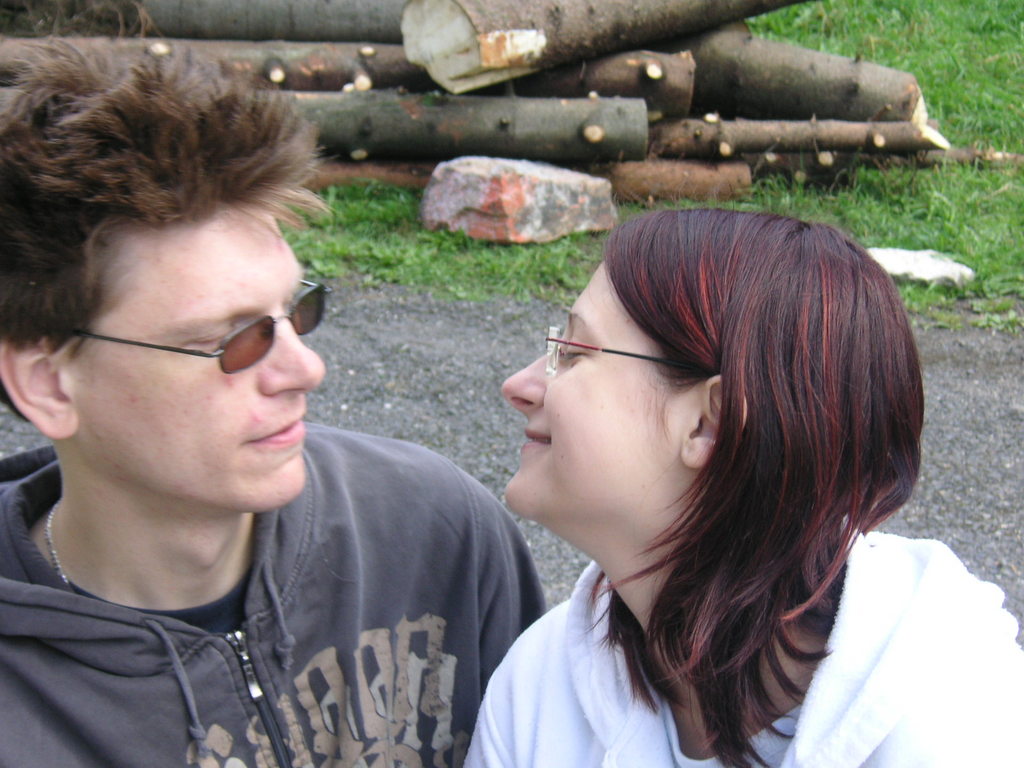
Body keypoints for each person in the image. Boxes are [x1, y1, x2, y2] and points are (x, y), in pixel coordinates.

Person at [0, 43, 543, 767]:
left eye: (296, 311)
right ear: (48, 384)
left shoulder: (435, 532)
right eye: (233, 340)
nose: (306, 368)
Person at [466, 208, 1024, 768]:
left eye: (573, 353)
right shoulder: (543, 681)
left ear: (710, 423)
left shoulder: (960, 727)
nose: (519, 385)